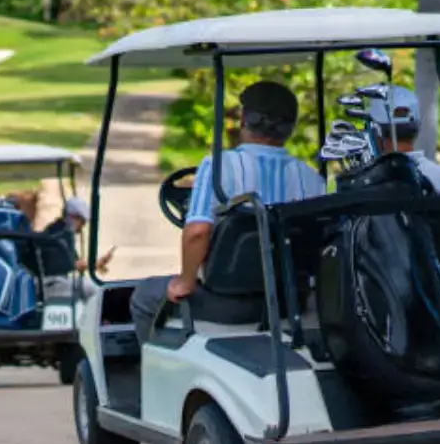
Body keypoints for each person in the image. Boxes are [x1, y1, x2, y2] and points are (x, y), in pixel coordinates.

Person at [130, 80, 326, 345]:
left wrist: (185, 281)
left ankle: (155, 376)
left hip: (227, 304)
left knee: (144, 295)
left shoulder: (219, 167)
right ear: (290, 127)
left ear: (245, 118)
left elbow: (198, 232)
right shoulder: (312, 178)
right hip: (289, 302)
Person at [367, 85, 440, 255]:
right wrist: (439, 269)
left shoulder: (362, 182)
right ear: (416, 128)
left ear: (375, 131)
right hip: (427, 279)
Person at [42, 196, 114, 300]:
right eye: (82, 222)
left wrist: (98, 264)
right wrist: (96, 264)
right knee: (92, 290)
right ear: (73, 217)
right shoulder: (59, 234)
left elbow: (76, 262)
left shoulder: (61, 230)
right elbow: (73, 264)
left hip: (57, 281)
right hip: (51, 283)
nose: (82, 227)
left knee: (89, 286)